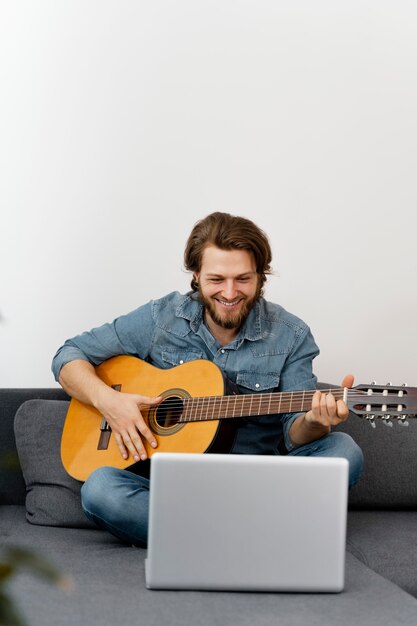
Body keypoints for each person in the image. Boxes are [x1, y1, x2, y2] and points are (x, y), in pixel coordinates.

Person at [52, 212, 363, 547]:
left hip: (254, 487)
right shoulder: (161, 318)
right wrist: (109, 402)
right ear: (196, 276)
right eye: (217, 279)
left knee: (344, 451)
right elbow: (68, 357)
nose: (230, 293)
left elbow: (294, 433)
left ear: (261, 276)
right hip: (171, 490)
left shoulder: (291, 334)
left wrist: (316, 421)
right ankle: (251, 539)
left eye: (243, 278)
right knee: (100, 489)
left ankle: (204, 538)